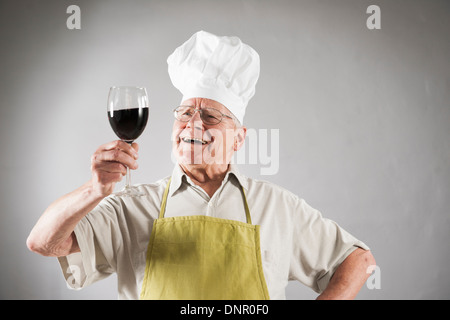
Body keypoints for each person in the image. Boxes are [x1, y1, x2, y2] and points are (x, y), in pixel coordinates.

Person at [27, 30, 375, 300]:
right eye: (184, 114)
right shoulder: (131, 207)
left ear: (238, 138)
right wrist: (94, 190)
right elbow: (43, 242)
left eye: (209, 116)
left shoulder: (277, 206)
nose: (193, 125)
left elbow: (357, 259)